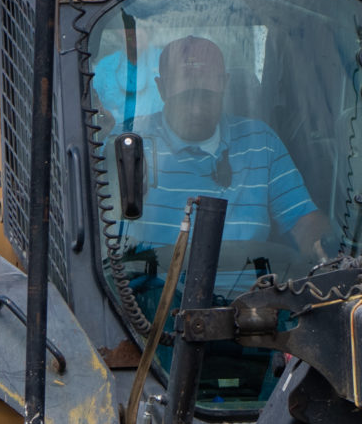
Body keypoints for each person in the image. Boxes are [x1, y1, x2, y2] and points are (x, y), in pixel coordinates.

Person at [128, 34, 332, 264]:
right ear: (161, 88)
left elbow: (303, 221)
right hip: (149, 297)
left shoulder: (260, 142)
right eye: (185, 98)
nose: (196, 110)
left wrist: (322, 245)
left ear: (224, 84)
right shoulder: (130, 145)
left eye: (206, 97)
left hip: (254, 295)